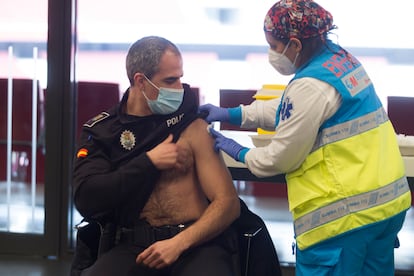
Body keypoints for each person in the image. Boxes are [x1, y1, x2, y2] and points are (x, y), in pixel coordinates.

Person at [199, 0, 412, 275]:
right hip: (384, 206)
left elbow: (280, 157)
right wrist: (235, 114)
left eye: (275, 46)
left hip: (344, 219)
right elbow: (295, 108)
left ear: (296, 44)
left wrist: (239, 152)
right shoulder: (339, 61)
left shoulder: (310, 84)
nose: (272, 53)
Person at [72, 36, 241, 276]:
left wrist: (178, 243)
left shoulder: (190, 125)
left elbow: (228, 203)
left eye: (180, 78)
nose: (179, 89)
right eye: (170, 80)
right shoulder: (105, 132)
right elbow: (87, 198)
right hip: (135, 244)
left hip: (194, 242)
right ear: (141, 81)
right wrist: (149, 163)